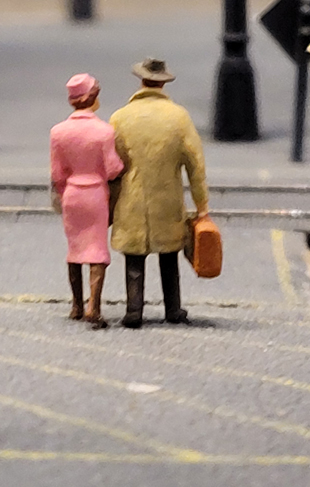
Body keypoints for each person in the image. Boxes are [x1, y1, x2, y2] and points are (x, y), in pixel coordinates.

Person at [110, 57, 208, 328]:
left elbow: (111, 164)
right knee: (170, 257)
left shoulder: (120, 117)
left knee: (134, 259)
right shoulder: (179, 117)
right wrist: (201, 204)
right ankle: (173, 308)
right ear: (163, 83)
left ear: (141, 80)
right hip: (167, 200)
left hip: (131, 198)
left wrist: (110, 199)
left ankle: (133, 310)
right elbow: (195, 164)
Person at [50, 74, 124, 330]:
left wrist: (64, 193)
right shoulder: (104, 131)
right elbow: (113, 169)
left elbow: (57, 173)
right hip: (95, 194)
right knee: (97, 251)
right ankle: (94, 305)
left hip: (72, 193)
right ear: (93, 97)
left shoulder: (58, 132)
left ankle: (76, 305)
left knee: (74, 250)